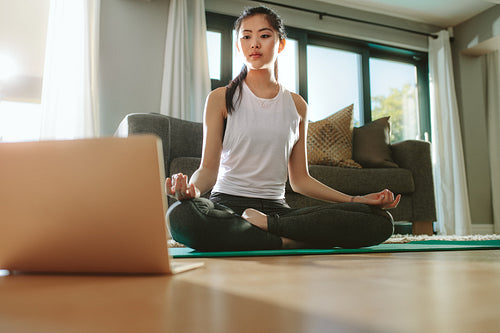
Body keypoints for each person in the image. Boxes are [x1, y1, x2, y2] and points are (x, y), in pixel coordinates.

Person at [165, 6, 401, 251]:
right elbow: (208, 169)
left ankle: (270, 229)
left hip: (276, 212)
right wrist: (191, 190)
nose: (254, 43)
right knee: (181, 217)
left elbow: (300, 180)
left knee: (380, 221)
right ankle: (289, 241)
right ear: (239, 46)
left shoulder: (297, 105)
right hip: (227, 207)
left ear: (280, 44)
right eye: (246, 37)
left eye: (264, 36)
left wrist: (356, 200)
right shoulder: (220, 98)